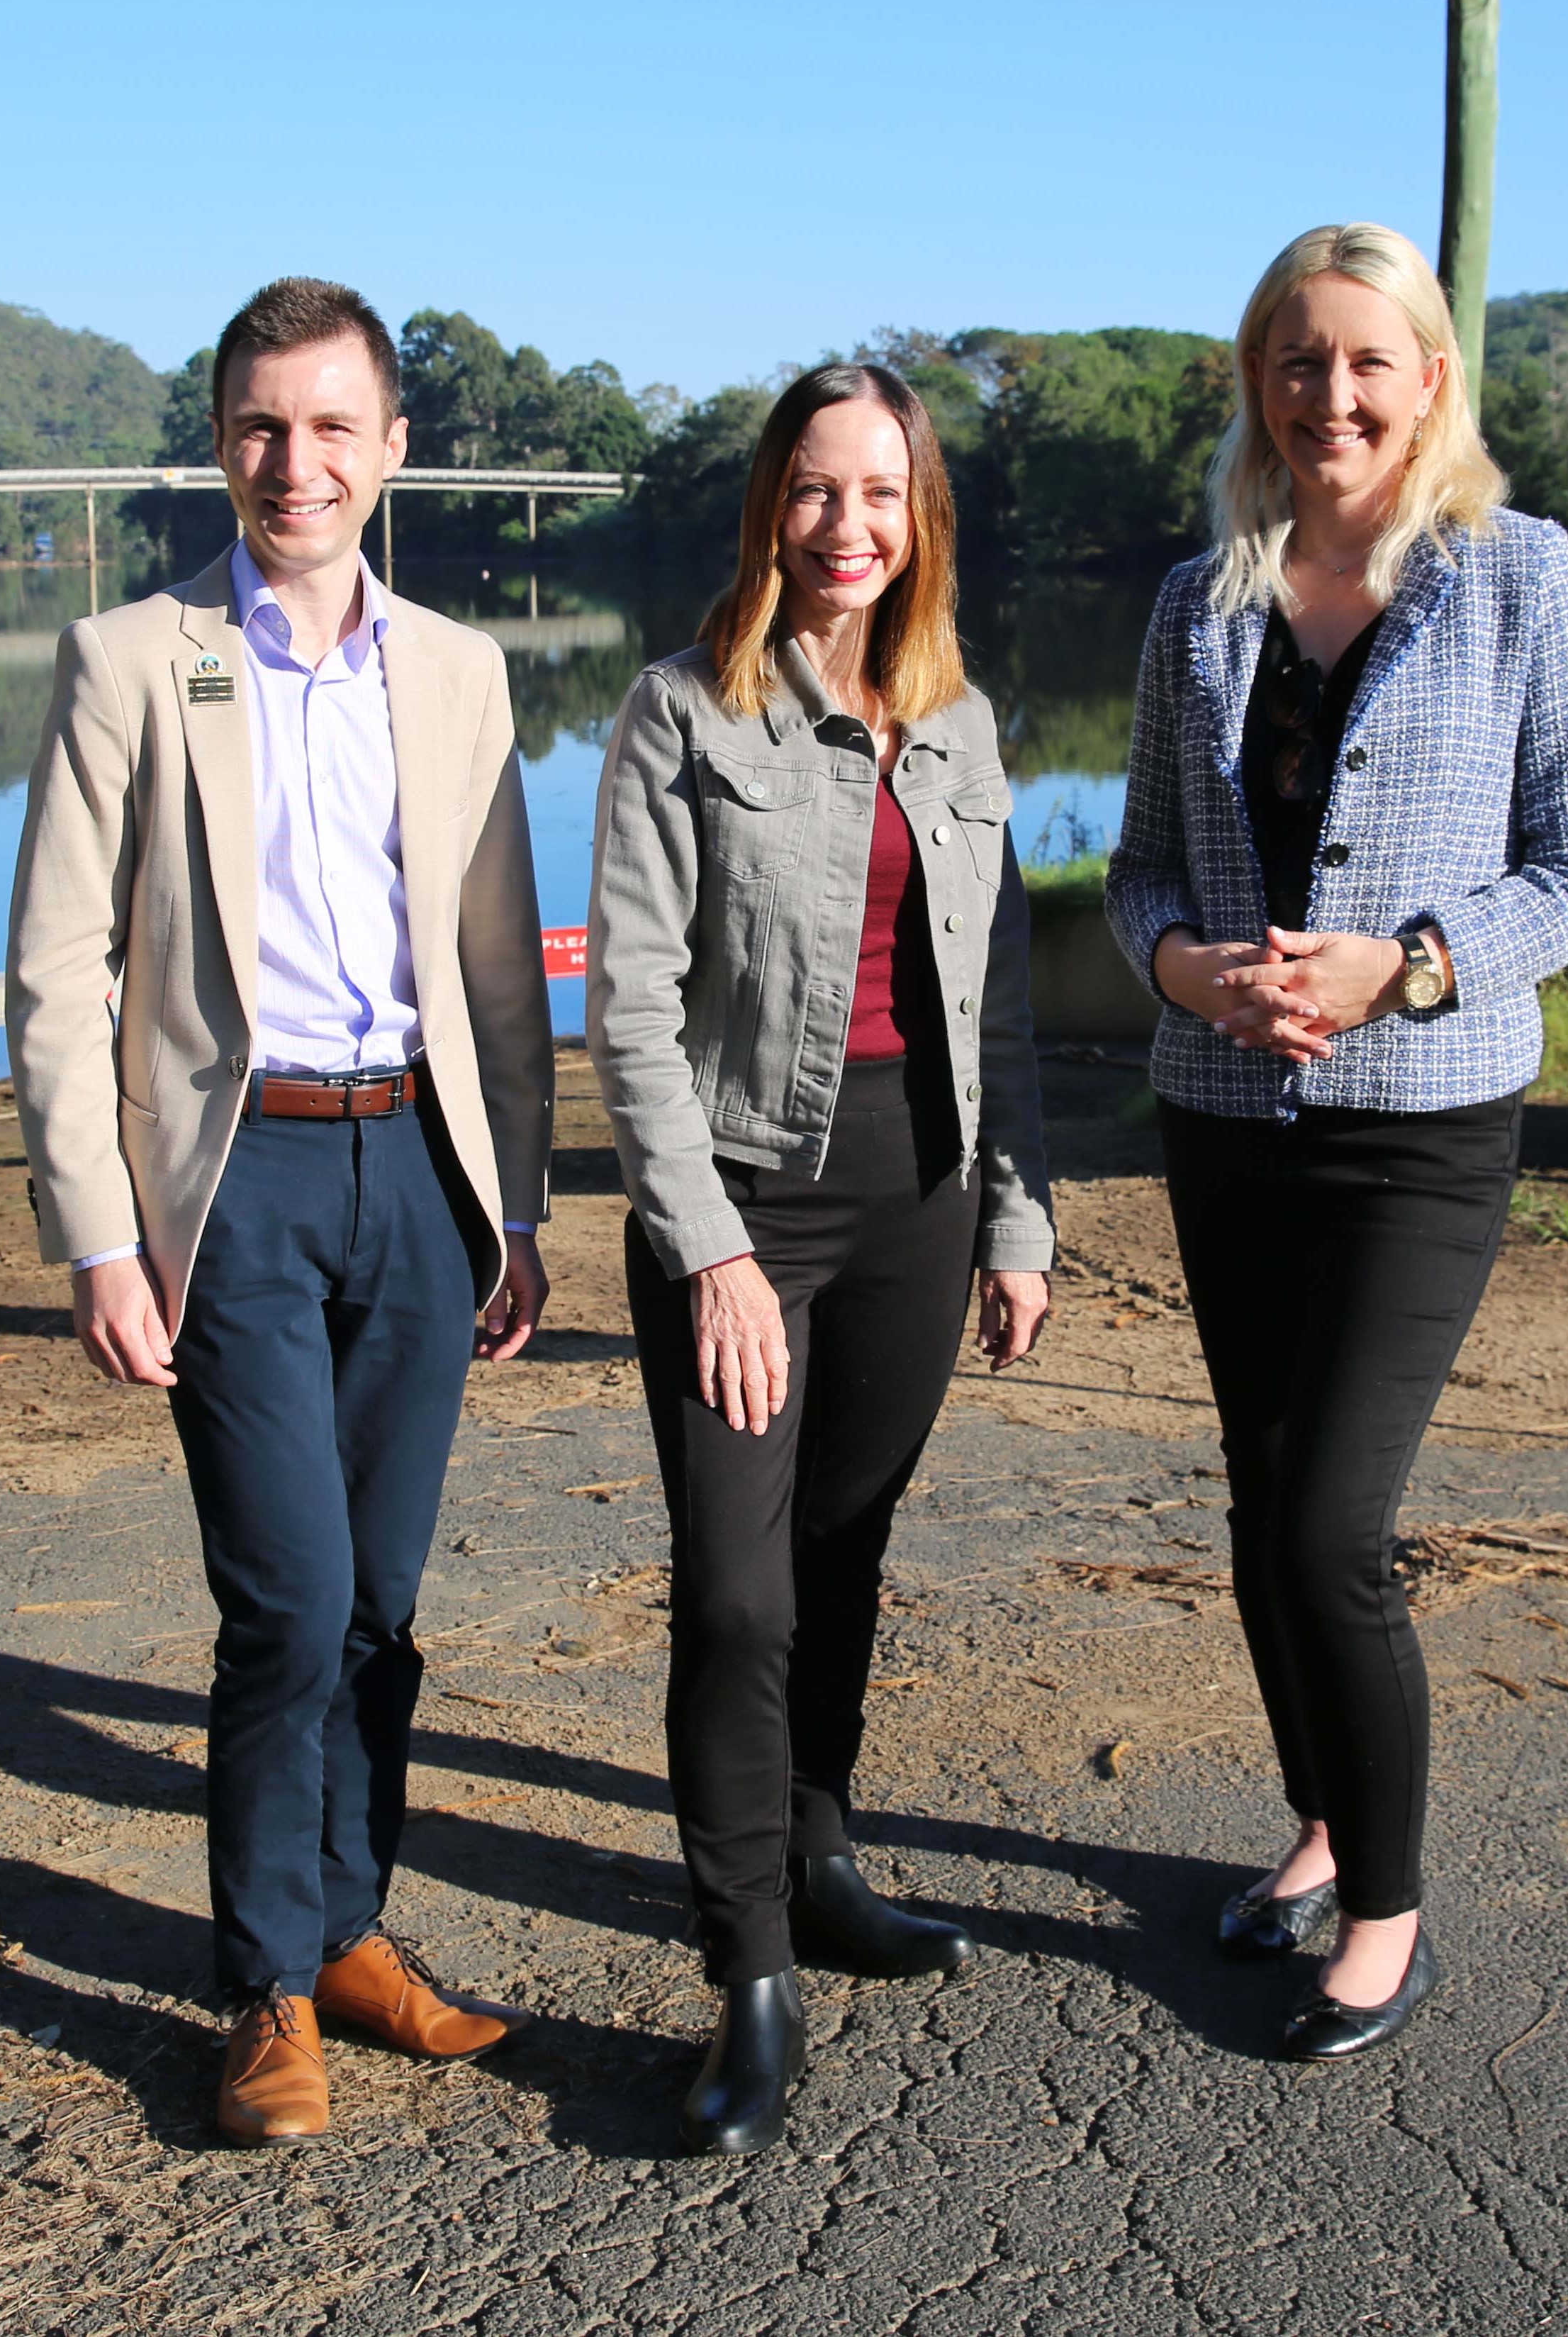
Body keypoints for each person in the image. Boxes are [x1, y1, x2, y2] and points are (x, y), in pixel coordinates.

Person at [6, 277, 556, 2144]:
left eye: (334, 426)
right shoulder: (128, 659)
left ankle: (348, 1929)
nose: (295, 461)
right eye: (261, 423)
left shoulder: (465, 674)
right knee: (290, 1601)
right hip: (231, 1183)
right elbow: (56, 966)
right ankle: (259, 1984)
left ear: (393, 449)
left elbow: (497, 975)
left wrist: (521, 1208)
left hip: (414, 1165)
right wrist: (98, 1230)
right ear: (220, 440)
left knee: (384, 1610)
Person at [1104, 223, 1568, 2063]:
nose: (1329, 394)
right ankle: (1319, 1824)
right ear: (1259, 381)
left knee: (1335, 1519)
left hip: (1424, 1124)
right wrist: (1189, 971)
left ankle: (1390, 1908)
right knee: (1264, 1509)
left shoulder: (1518, 577)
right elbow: (1143, 871)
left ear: (1428, 377)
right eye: (1294, 359)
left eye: (1364, 359)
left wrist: (1406, 966)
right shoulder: (1202, 599)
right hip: (1229, 1110)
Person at [588, 363, 1055, 2155]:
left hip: (915, 1207)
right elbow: (628, 1011)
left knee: (844, 1557)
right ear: (767, 510)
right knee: (739, 1589)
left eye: (879, 492)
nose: (845, 525)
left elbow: (997, 1004)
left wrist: (1016, 1217)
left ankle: (827, 1852)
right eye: (811, 489)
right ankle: (751, 1969)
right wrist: (702, 1251)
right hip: (745, 1210)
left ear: (918, 515)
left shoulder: (963, 727)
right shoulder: (675, 717)